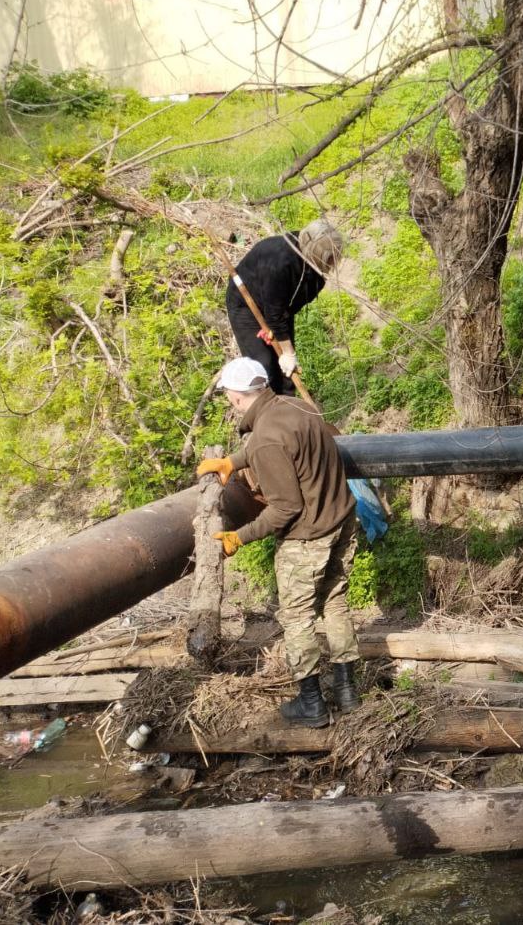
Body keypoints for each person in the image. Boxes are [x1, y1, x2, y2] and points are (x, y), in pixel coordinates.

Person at [196, 357, 360, 728]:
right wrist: (233, 462)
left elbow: (285, 508)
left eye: (229, 399)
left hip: (308, 537)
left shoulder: (265, 438)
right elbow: (291, 450)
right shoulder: (295, 406)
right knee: (335, 602)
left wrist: (240, 536)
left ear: (237, 399)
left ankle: (312, 703)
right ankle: (349, 693)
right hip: (341, 520)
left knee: (297, 616)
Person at [225, 219, 343, 395]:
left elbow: (282, 312)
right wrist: (287, 352)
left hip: (279, 308)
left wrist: (281, 342)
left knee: (288, 370)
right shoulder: (279, 263)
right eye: (329, 258)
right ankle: (267, 413)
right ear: (315, 253)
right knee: (264, 365)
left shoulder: (314, 273)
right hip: (246, 305)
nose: (332, 263)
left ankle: (290, 410)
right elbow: (275, 313)